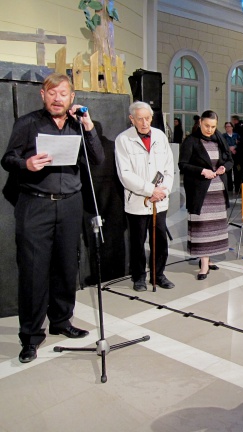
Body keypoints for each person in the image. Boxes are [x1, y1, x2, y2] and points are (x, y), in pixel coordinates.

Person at [1, 73, 104, 363]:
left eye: (63, 93)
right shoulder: (28, 123)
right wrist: (26, 163)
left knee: (66, 265)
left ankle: (61, 321)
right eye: (52, 93)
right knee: (34, 272)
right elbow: (7, 159)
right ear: (42, 96)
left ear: (72, 97)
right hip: (36, 205)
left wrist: (88, 125)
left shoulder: (78, 125)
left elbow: (97, 159)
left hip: (71, 205)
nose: (57, 98)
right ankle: (31, 337)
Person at [115, 101, 175, 292]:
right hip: (138, 201)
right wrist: (150, 190)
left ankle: (159, 274)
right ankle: (139, 276)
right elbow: (125, 174)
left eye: (147, 118)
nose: (144, 122)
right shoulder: (123, 140)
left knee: (160, 240)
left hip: (160, 201)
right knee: (138, 241)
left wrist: (163, 190)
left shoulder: (160, 136)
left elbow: (169, 167)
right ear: (131, 119)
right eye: (139, 119)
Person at [179, 110, 233, 279]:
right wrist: (202, 171)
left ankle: (208, 259)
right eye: (207, 126)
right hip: (200, 191)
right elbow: (183, 165)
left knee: (215, 227)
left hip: (218, 190)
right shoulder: (191, 140)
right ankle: (203, 265)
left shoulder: (220, 139)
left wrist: (224, 168)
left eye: (213, 126)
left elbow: (229, 159)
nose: (210, 130)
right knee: (203, 227)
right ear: (200, 122)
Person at [223, 121, 242, 193]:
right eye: (226, 127)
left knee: (237, 171)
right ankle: (229, 187)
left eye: (229, 126)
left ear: (232, 127)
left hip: (236, 156)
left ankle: (238, 188)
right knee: (228, 172)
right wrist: (229, 148)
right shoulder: (223, 136)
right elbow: (223, 145)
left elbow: (240, 143)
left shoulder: (236, 135)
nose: (228, 128)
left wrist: (235, 148)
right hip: (228, 156)